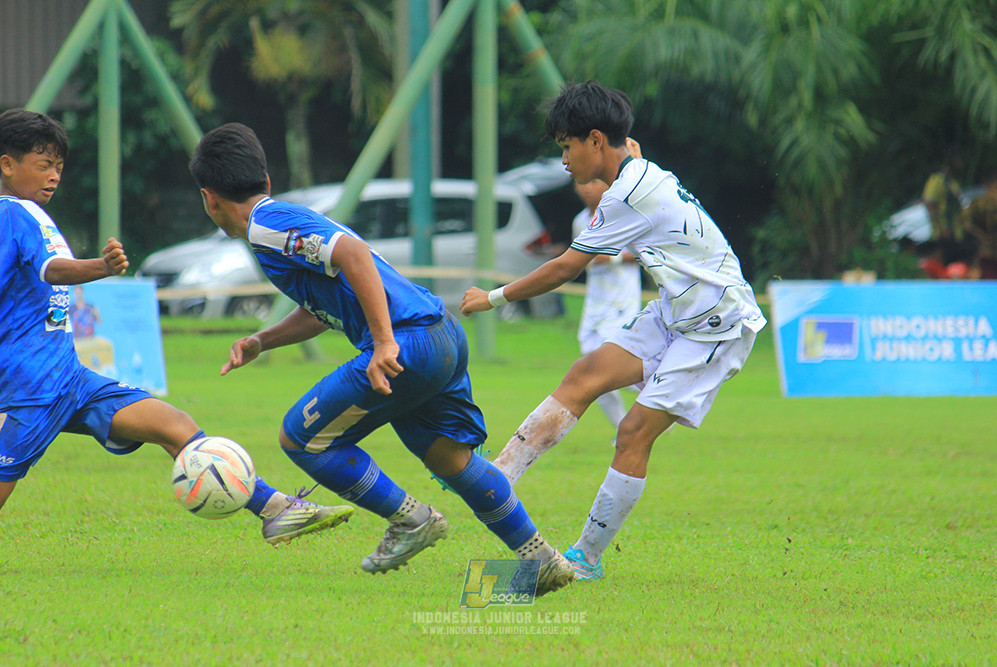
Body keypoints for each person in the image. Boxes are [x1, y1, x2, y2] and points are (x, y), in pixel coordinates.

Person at [188, 123, 573, 594]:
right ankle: (542, 559)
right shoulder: (281, 221)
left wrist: (385, 342)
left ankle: (412, 520)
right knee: (450, 458)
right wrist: (263, 340)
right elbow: (326, 305)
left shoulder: (266, 226)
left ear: (209, 199)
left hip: (408, 343)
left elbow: (353, 255)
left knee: (301, 438)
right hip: (441, 333)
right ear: (265, 181)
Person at [0, 109, 354, 548]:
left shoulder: (24, 215)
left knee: (175, 425)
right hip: (33, 386)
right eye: (42, 164)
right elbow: (52, 269)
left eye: (58, 166)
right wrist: (101, 266)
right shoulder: (16, 214)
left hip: (67, 379)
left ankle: (275, 509)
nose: (53, 176)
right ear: (6, 164)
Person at [460, 81, 766, 581]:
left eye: (566, 146)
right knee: (585, 374)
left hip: (717, 326)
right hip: (676, 312)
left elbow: (563, 270)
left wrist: (490, 298)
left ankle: (585, 558)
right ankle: (494, 480)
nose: (563, 161)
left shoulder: (626, 195)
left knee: (632, 433)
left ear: (596, 140)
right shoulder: (638, 165)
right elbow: (633, 156)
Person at [571, 178, 642, 431]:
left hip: (622, 303)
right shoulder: (580, 221)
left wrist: (610, 259)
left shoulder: (623, 214)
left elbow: (643, 253)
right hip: (595, 304)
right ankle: (624, 427)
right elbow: (577, 261)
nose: (587, 188)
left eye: (593, 182)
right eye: (582, 183)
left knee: (607, 368)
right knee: (592, 368)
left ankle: (663, 397)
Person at [919, 150, 974, 278]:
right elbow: (929, 204)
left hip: (956, 233)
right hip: (943, 233)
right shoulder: (937, 179)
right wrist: (940, 226)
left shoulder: (953, 183)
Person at [962, 172, 997, 279]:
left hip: (984, 251)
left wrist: (981, 236)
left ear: (985, 183)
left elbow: (966, 224)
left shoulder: (977, 203)